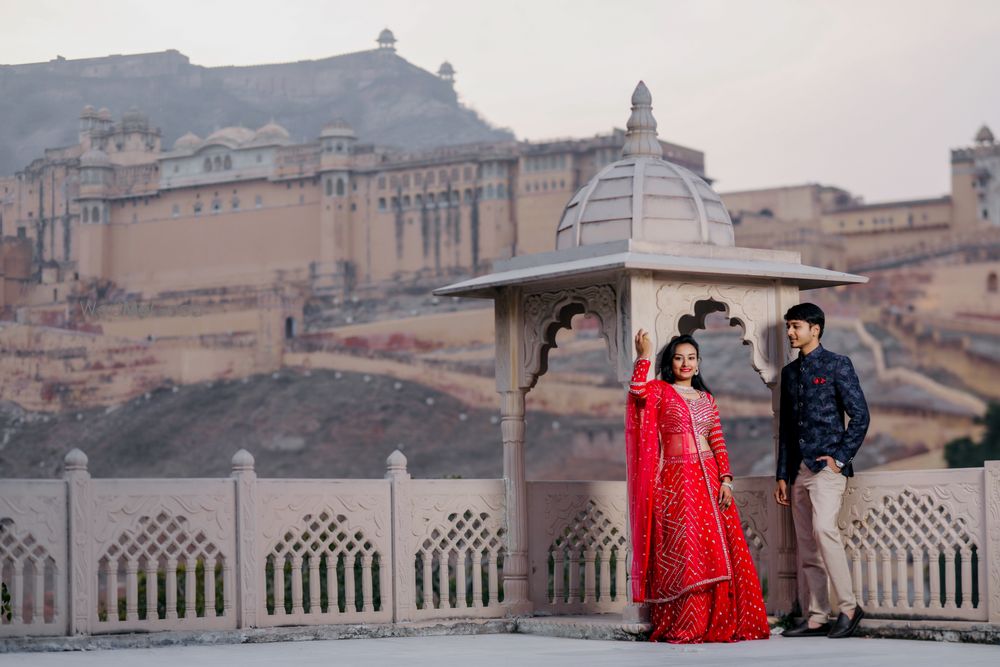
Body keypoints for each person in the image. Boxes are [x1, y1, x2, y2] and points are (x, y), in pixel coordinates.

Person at [627, 330, 770, 643]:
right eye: (679, 358)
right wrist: (644, 354)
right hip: (675, 480)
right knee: (685, 548)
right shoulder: (660, 392)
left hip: (709, 479)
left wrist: (727, 480)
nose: (685, 363)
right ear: (671, 363)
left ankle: (717, 618)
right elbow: (636, 390)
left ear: (699, 363)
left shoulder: (708, 400)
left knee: (716, 550)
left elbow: (718, 441)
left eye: (691, 358)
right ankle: (687, 620)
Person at [774, 303, 870, 639]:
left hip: (828, 469)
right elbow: (787, 429)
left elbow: (861, 417)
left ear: (815, 329)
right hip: (800, 470)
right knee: (807, 543)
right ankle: (817, 616)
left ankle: (848, 607)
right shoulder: (789, 373)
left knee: (824, 531)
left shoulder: (837, 365)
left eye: (795, 326)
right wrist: (782, 476)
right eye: (788, 326)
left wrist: (839, 459)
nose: (790, 332)